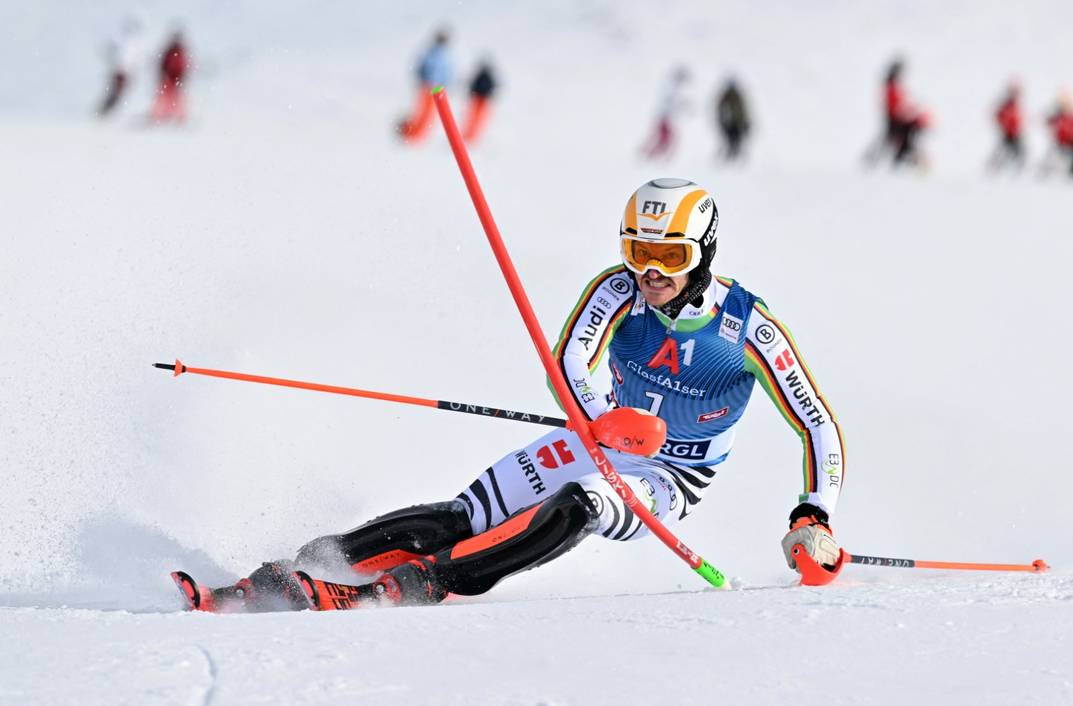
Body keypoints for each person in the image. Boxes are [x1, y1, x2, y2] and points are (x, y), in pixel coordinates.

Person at [173, 179, 847, 612]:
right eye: (637, 250)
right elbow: (567, 362)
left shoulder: (747, 328)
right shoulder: (617, 289)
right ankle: (287, 574)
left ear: (703, 253)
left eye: (669, 257)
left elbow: (815, 422)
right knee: (464, 513)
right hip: (598, 434)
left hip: (670, 475)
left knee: (580, 504)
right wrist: (598, 418)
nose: (649, 271)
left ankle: (409, 587)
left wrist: (812, 516)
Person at [862, 58, 931, 169]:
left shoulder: (893, 87)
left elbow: (900, 104)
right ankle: (877, 161)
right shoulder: (891, 87)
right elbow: (895, 106)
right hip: (895, 120)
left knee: (894, 142)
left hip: (896, 120)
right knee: (893, 141)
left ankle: (897, 161)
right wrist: (907, 114)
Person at [398, 29, 454, 143]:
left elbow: (448, 73)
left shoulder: (444, 54)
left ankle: (418, 134)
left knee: (428, 113)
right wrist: (423, 79)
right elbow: (422, 67)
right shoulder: (432, 53)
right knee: (423, 112)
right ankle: (413, 133)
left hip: (436, 88)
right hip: (428, 86)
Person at [98, 15, 145, 117]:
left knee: (118, 93)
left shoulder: (129, 42)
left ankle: (108, 111)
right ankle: (106, 112)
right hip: (122, 72)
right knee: (117, 93)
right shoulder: (130, 42)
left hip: (123, 72)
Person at [641, 67, 689, 159]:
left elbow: (672, 103)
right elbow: (669, 102)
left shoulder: (672, 87)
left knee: (663, 137)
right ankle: (651, 154)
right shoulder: (671, 87)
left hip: (664, 116)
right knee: (666, 137)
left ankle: (650, 153)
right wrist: (681, 105)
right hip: (664, 116)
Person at [150, 31, 189, 124]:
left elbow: (182, 66)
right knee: (166, 96)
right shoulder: (171, 52)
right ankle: (160, 114)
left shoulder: (179, 53)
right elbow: (164, 64)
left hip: (175, 77)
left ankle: (177, 115)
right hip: (169, 77)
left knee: (174, 97)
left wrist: (181, 76)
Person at [987, 80, 1025, 171]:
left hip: (1015, 133)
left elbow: (1018, 119)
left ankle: (1015, 167)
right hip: (1008, 133)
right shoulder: (1007, 105)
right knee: (1004, 151)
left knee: (1017, 151)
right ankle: (995, 165)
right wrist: (1004, 126)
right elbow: (998, 115)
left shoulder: (1015, 105)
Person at [462, 58, 498, 144]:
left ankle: (472, 136)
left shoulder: (485, 77)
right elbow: (473, 86)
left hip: (482, 100)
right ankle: (469, 135)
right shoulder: (482, 76)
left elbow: (491, 88)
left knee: (477, 118)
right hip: (478, 99)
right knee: (473, 118)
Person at [715, 77, 751, 162]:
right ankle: (731, 154)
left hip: (737, 122)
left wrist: (745, 121)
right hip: (729, 123)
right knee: (730, 139)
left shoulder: (737, 96)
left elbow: (742, 110)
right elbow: (720, 109)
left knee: (736, 139)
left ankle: (736, 154)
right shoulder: (726, 96)